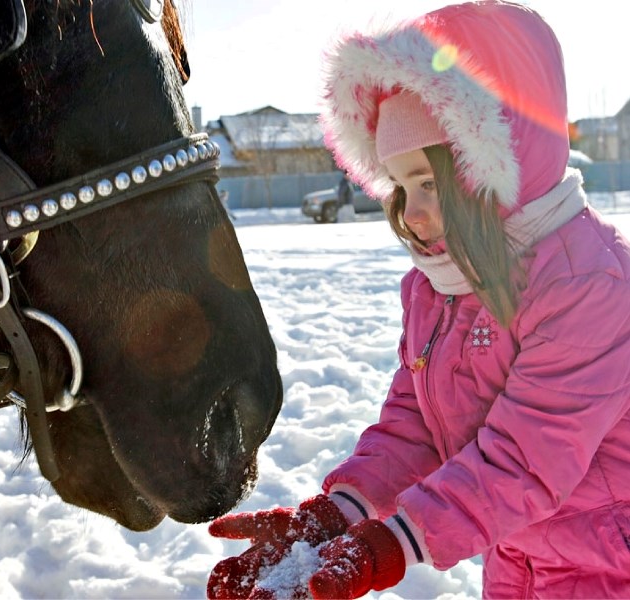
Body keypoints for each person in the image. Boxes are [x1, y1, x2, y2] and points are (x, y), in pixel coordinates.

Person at [207, 1, 630, 598]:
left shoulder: (586, 284)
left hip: (608, 562)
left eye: (430, 182)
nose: (412, 211)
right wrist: (338, 514)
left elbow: (524, 458)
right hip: (517, 556)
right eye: (400, 185)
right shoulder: (444, 287)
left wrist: (393, 543)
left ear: (497, 166)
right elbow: (417, 428)